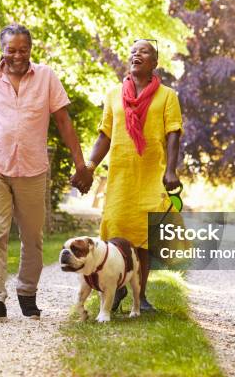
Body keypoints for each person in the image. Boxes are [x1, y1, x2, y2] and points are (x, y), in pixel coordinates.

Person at [0, 24, 93, 322]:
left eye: (23, 50)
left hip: (32, 170)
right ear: (2, 50)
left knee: (33, 237)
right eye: (11, 50)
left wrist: (80, 164)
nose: (18, 55)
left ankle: (27, 293)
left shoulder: (46, 76)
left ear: (30, 50)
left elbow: (63, 122)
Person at [76, 39, 182, 312]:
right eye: (133, 51)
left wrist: (171, 170)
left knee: (143, 240)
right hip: (121, 177)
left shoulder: (168, 96)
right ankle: (116, 287)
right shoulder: (113, 95)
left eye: (144, 51)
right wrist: (89, 167)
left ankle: (140, 296)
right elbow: (104, 135)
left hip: (150, 175)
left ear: (154, 62)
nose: (137, 54)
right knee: (115, 233)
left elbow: (173, 134)